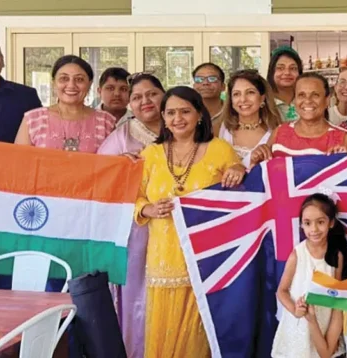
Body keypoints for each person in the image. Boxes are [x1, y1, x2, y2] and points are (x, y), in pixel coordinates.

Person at [135, 86, 246, 358]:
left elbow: (242, 192)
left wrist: (239, 169)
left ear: (199, 114)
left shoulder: (219, 149)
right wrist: (147, 209)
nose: (178, 118)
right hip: (163, 260)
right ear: (163, 117)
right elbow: (132, 198)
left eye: (185, 111)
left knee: (198, 338)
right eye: (171, 112)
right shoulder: (150, 154)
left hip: (205, 261)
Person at [97, 73, 165, 358]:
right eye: (136, 97)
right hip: (138, 230)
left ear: (164, 95)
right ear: (130, 104)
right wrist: (118, 168)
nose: (145, 101)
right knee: (139, 296)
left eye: (151, 94)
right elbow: (98, 180)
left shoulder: (182, 127)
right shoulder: (120, 138)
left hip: (177, 229)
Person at [271, 193, 347, 358]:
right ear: (302, 225)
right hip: (298, 326)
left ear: (331, 223)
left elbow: (337, 298)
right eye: (307, 223)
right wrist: (295, 310)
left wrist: (333, 333)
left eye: (320, 222)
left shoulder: (336, 256)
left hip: (323, 327)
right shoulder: (297, 255)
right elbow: (282, 291)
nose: (314, 229)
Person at [248, 73, 347, 165]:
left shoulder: (346, 140)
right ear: (295, 100)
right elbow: (263, 176)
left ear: (327, 100)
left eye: (315, 95)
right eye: (301, 95)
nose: (307, 100)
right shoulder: (279, 133)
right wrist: (255, 161)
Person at [15, 55, 116, 153]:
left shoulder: (106, 122)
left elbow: (115, 163)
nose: (71, 85)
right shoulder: (33, 120)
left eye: (79, 79)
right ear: (53, 83)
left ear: (89, 84)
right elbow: (20, 163)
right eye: (64, 79)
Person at [213, 70, 281, 167]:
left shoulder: (276, 132)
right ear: (231, 100)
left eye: (250, 92)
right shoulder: (220, 128)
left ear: (262, 98)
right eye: (236, 94)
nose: (243, 99)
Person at [268, 46, 304, 122]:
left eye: (293, 68)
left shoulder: (305, 100)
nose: (287, 73)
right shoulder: (265, 102)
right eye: (280, 68)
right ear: (272, 72)